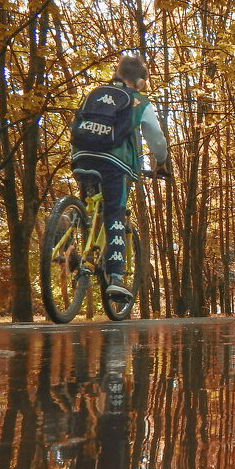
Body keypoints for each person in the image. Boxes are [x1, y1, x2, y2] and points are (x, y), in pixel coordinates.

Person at [71, 54, 168, 300]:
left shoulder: (94, 93)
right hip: (113, 163)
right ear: (140, 81)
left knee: (91, 208)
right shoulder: (137, 101)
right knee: (114, 212)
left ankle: (73, 238)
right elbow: (155, 136)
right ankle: (115, 277)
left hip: (81, 155)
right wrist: (162, 162)